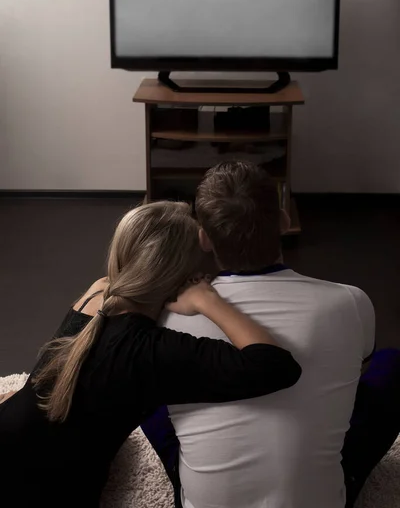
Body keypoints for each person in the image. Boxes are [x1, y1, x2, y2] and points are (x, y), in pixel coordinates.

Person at [0, 200, 301, 508]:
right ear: (185, 274)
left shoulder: (97, 291)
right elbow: (276, 366)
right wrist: (209, 301)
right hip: (48, 490)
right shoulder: (154, 351)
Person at [146, 161, 400, 508]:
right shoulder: (351, 302)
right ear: (283, 220)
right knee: (392, 366)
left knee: (150, 391)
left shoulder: (167, 318)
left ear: (203, 238)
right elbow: (357, 374)